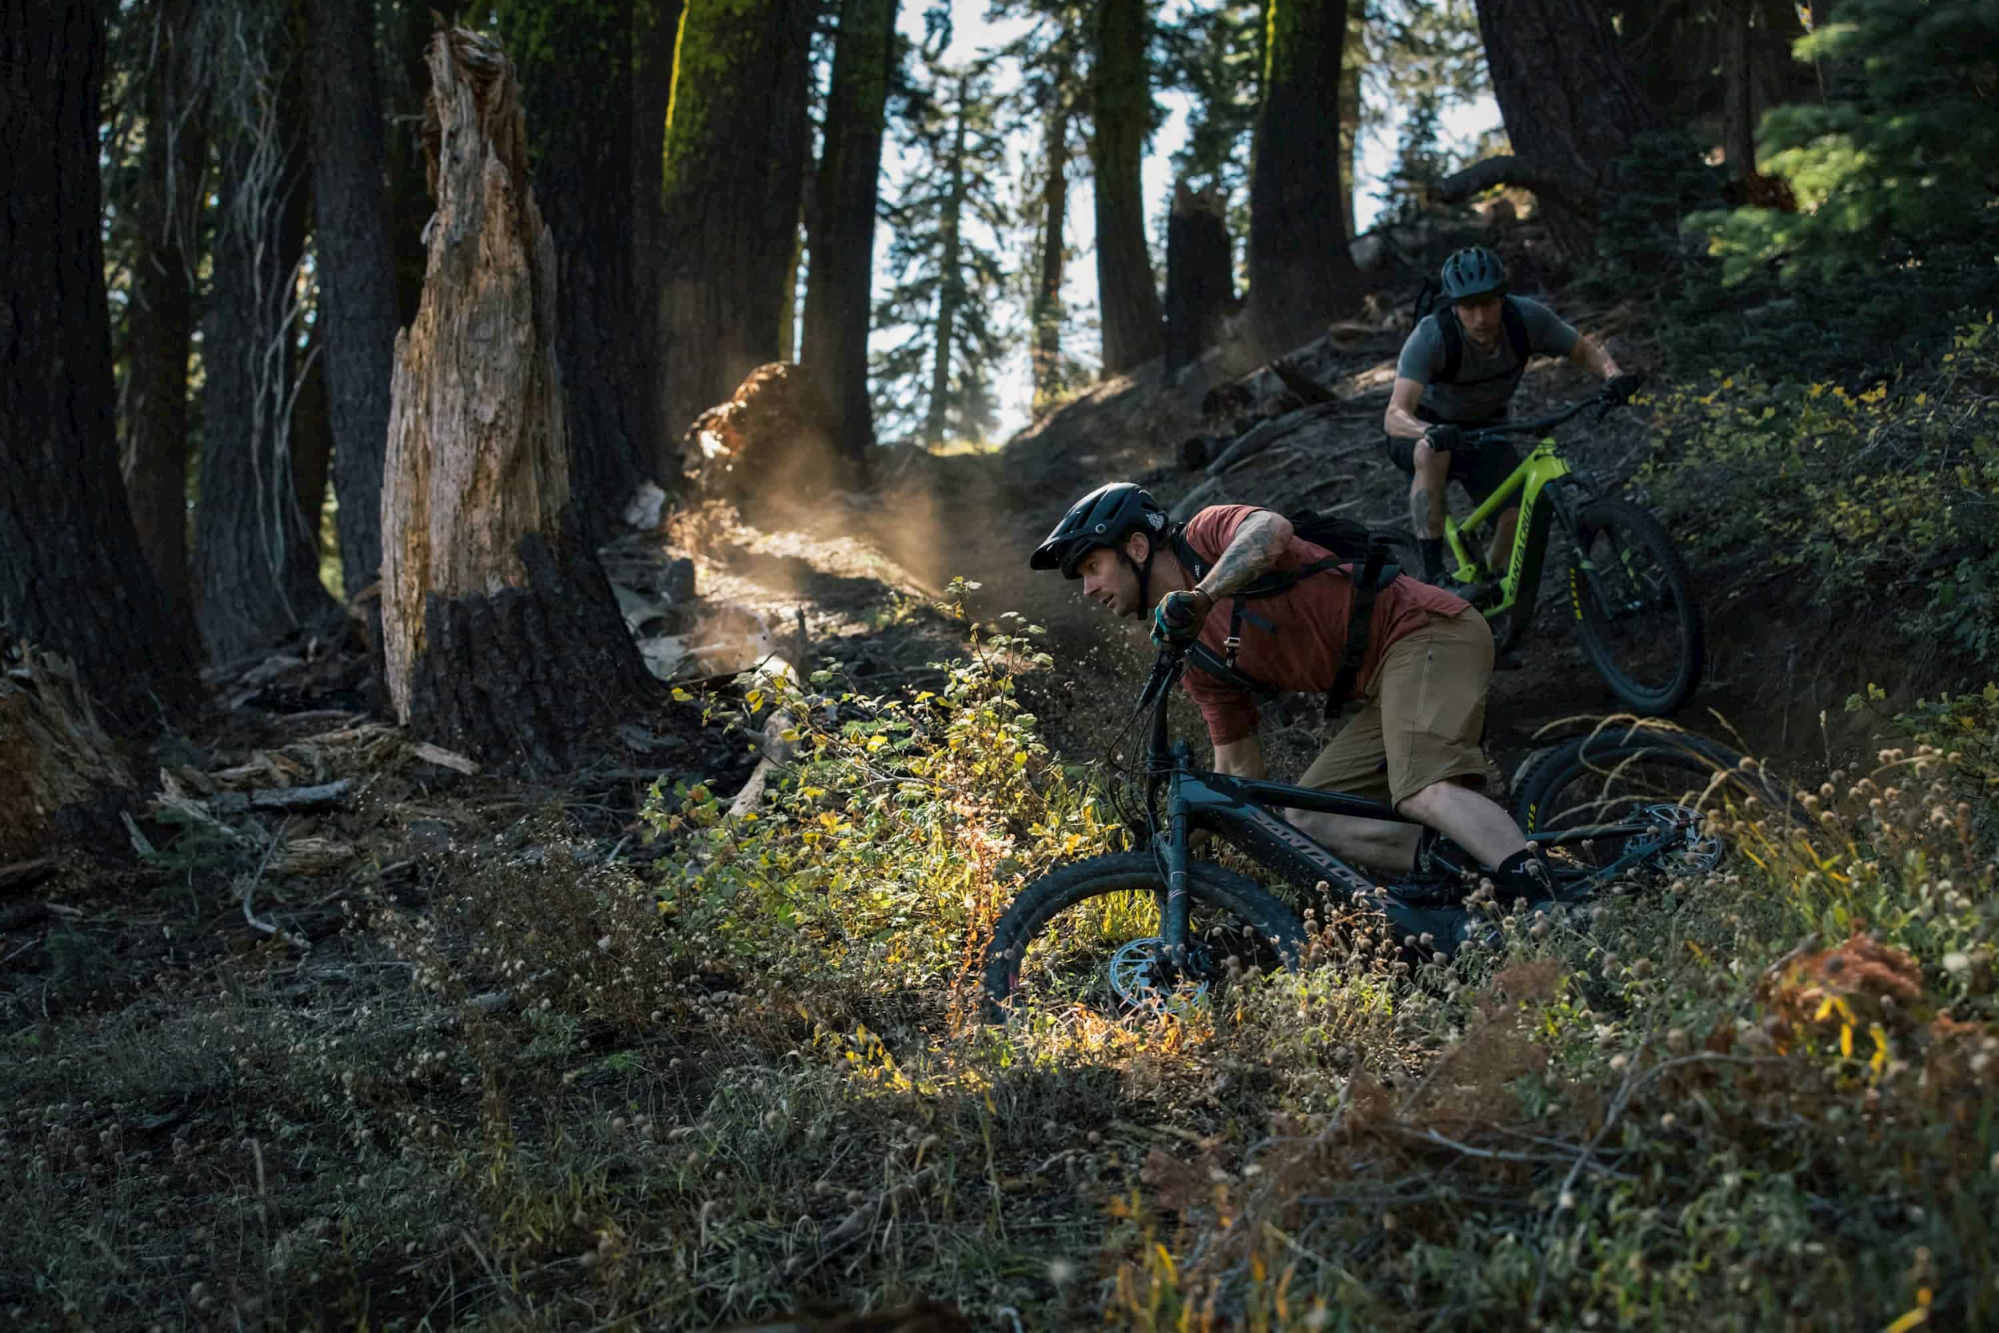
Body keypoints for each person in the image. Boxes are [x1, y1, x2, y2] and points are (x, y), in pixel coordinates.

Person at [1029, 482, 1551, 902]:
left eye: (1092, 568)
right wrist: (1171, 841)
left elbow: (1271, 530)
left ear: (1137, 547)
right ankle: (1476, 876)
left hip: (1427, 631)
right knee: (1309, 817)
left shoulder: (1206, 535)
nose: (1088, 589)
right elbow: (1240, 773)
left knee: (1423, 789)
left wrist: (1206, 594)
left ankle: (1548, 898)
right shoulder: (1198, 655)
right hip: (1386, 683)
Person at [1384, 246, 1625, 592]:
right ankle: (1435, 573)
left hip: (1484, 428)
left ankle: (1490, 583)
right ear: (1453, 307)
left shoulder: (1526, 320)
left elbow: (1584, 350)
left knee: (1515, 511)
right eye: (1468, 307)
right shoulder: (1431, 336)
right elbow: (1394, 415)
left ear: (1503, 298)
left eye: (1489, 303)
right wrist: (1429, 431)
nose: (1480, 317)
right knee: (1430, 452)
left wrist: (1614, 376)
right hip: (1425, 428)